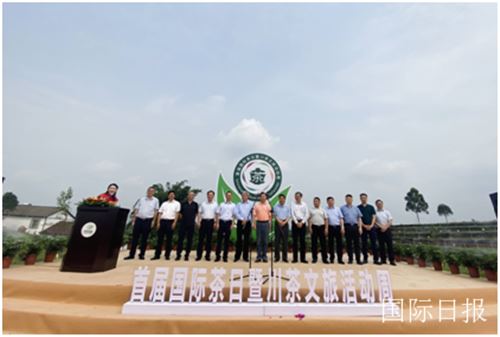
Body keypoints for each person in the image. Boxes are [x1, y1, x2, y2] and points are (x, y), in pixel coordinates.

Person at [124, 186, 159, 260]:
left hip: (148, 220)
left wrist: (153, 221)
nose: (150, 192)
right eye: (149, 191)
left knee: (144, 238)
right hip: (139, 219)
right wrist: (134, 219)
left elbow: (156, 211)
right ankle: (131, 254)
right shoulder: (141, 199)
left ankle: (141, 254)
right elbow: (136, 209)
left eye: (152, 191)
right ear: (147, 191)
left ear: (154, 192)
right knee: (135, 238)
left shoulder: (156, 200)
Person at [151, 191, 180, 260]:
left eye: (173, 195)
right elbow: (160, 213)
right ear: (168, 196)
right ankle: (157, 255)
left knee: (169, 240)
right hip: (163, 221)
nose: (171, 196)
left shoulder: (177, 203)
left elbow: (177, 214)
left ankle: (167, 255)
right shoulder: (164, 203)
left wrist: (174, 223)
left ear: (174, 196)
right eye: (170, 195)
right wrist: (158, 223)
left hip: (171, 221)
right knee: (160, 239)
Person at [196, 190, 218, 261]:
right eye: (209, 195)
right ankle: (199, 255)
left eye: (211, 195)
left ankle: (207, 256)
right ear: (207, 195)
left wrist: (216, 223)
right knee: (201, 240)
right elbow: (199, 213)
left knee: (209, 240)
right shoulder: (203, 204)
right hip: (203, 222)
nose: (210, 196)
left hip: (211, 222)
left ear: (213, 196)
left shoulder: (215, 204)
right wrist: (199, 222)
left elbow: (217, 214)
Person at [176, 191, 199, 261]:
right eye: (190, 195)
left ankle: (187, 255)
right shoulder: (183, 204)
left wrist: (195, 222)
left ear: (194, 197)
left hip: (191, 225)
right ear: (187, 196)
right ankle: (178, 255)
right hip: (183, 224)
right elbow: (180, 213)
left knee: (189, 240)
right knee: (180, 240)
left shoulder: (195, 204)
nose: (191, 196)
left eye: (192, 195)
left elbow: (196, 214)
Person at [340, 194, 363, 265]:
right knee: (349, 244)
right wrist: (342, 227)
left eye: (350, 199)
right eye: (347, 199)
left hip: (355, 226)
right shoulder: (342, 208)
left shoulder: (356, 208)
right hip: (347, 226)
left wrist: (360, 227)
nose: (349, 200)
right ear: (345, 200)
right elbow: (341, 218)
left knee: (357, 244)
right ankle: (350, 259)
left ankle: (358, 259)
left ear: (352, 200)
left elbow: (359, 218)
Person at [358, 193, 380, 265]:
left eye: (365, 198)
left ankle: (376, 259)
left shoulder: (371, 207)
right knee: (364, 244)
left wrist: (371, 225)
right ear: (360, 199)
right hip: (363, 227)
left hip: (371, 227)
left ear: (367, 198)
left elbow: (374, 217)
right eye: (362, 198)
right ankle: (365, 258)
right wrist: (363, 225)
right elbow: (359, 218)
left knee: (374, 243)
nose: (363, 199)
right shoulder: (358, 207)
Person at [215, 191, 236, 262]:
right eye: (227, 195)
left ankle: (225, 257)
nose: (228, 197)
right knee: (219, 241)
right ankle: (217, 256)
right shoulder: (221, 204)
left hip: (228, 223)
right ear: (225, 196)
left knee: (226, 241)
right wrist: (217, 223)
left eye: (230, 195)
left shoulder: (233, 205)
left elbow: (234, 216)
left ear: (231, 196)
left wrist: (232, 224)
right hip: (221, 222)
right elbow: (217, 214)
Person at [234, 191, 254, 262]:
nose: (244, 197)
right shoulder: (238, 204)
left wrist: (251, 222)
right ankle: (237, 256)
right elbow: (236, 213)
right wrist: (242, 219)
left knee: (246, 240)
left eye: (245, 195)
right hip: (240, 222)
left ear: (248, 196)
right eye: (243, 195)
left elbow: (252, 214)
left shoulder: (251, 204)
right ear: (241, 196)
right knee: (239, 240)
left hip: (248, 223)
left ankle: (245, 257)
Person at [375, 199, 396, 266]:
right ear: (376, 205)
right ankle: (383, 260)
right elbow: (374, 221)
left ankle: (392, 260)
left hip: (387, 230)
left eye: (380, 204)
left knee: (390, 245)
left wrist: (385, 227)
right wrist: (381, 227)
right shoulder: (375, 213)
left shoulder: (387, 212)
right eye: (378, 204)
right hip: (379, 230)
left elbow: (390, 220)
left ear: (382, 204)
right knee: (381, 246)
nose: (379, 205)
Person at [252, 192, 272, 263]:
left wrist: (270, 224)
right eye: (262, 196)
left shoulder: (268, 205)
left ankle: (264, 256)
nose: (263, 197)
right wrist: (254, 223)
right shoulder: (256, 205)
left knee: (265, 241)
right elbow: (254, 215)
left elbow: (270, 216)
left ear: (266, 197)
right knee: (259, 241)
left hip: (266, 223)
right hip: (258, 223)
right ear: (260, 197)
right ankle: (258, 256)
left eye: (264, 196)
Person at [308, 197, 329, 264]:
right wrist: (309, 228)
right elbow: (309, 219)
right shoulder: (311, 210)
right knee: (314, 244)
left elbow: (326, 219)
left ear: (319, 202)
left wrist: (326, 228)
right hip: (314, 227)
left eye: (317, 201)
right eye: (314, 201)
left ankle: (325, 259)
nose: (316, 202)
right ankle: (314, 258)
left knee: (323, 244)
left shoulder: (323, 210)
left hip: (322, 227)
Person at [325, 196, 345, 264]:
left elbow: (341, 218)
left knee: (339, 244)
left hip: (338, 227)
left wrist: (342, 227)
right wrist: (326, 229)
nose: (330, 202)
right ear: (327, 202)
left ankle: (340, 259)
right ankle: (331, 258)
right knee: (330, 244)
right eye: (329, 201)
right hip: (330, 227)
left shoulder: (337, 209)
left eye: (332, 201)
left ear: (333, 201)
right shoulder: (325, 209)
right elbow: (326, 219)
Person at [291, 191, 309, 264]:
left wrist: (302, 222)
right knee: (295, 241)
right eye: (296, 196)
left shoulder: (304, 204)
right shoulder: (292, 204)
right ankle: (295, 259)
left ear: (301, 197)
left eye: (298, 196)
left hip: (302, 223)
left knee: (302, 241)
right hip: (295, 223)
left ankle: (303, 258)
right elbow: (292, 213)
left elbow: (307, 214)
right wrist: (296, 222)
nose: (297, 198)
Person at [273, 194, 291, 263]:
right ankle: (277, 257)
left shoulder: (287, 207)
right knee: (277, 241)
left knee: (285, 242)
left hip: (285, 224)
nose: (281, 200)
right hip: (278, 224)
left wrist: (284, 222)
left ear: (285, 199)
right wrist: (279, 221)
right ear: (279, 199)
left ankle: (285, 257)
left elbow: (289, 216)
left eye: (283, 199)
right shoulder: (275, 206)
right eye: (280, 198)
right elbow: (275, 215)